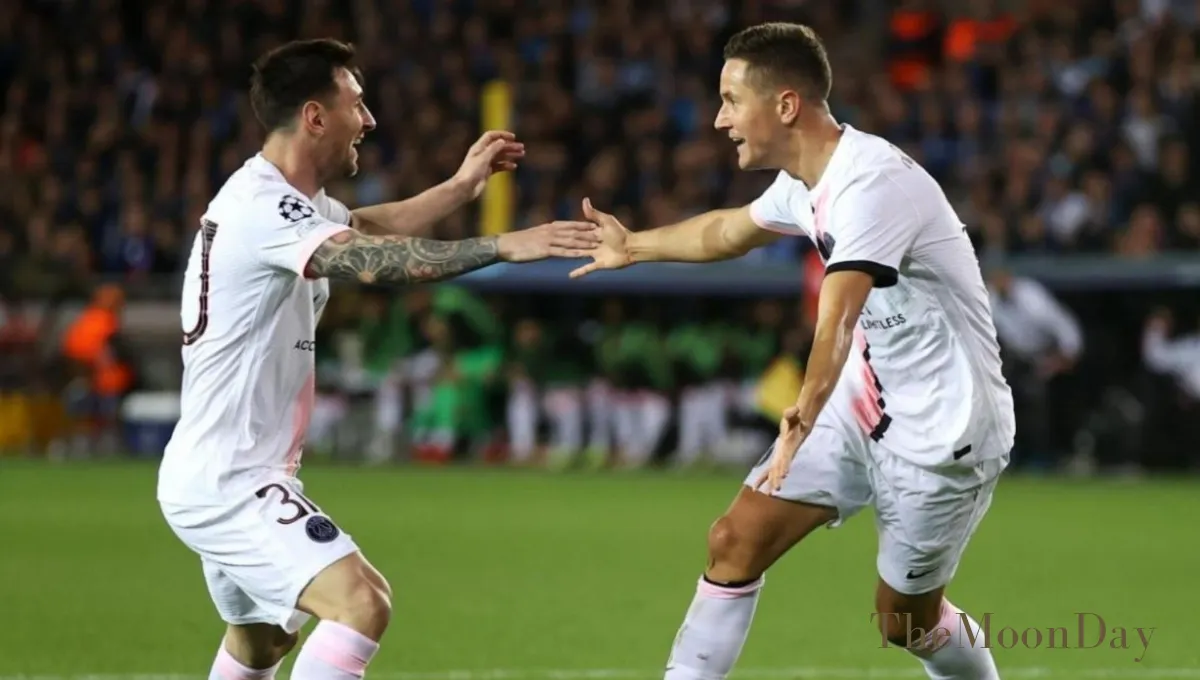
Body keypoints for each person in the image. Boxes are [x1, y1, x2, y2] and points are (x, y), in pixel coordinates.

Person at [571, 22, 1013, 680]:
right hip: (861, 401)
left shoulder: (871, 185)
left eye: (730, 99)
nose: (719, 119)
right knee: (733, 541)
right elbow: (725, 231)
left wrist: (799, 415)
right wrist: (634, 246)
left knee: (905, 622)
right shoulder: (805, 180)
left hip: (942, 431)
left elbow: (835, 320)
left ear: (784, 105)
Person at [155, 38, 598, 680]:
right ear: (314, 116)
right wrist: (504, 244)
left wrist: (460, 187)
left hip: (222, 467)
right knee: (362, 603)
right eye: (356, 105)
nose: (368, 120)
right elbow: (373, 260)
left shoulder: (281, 202)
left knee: (261, 647)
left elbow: (365, 228)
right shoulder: (262, 208)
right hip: (233, 478)